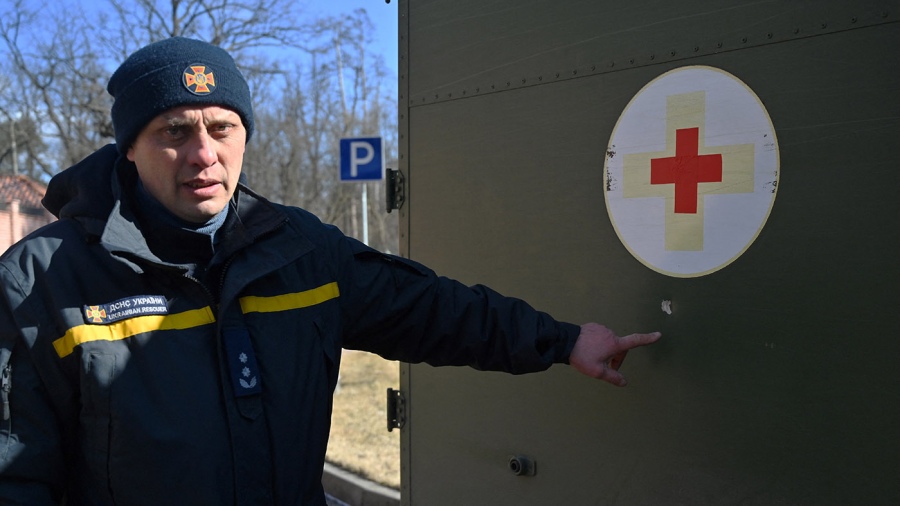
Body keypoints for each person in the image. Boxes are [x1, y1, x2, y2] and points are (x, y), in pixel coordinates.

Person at [0, 37, 661, 505]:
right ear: (131, 148)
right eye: (175, 130)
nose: (204, 153)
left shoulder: (299, 252)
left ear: (245, 137)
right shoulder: (43, 281)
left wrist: (563, 341)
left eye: (222, 127)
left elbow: (431, 310)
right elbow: (14, 470)